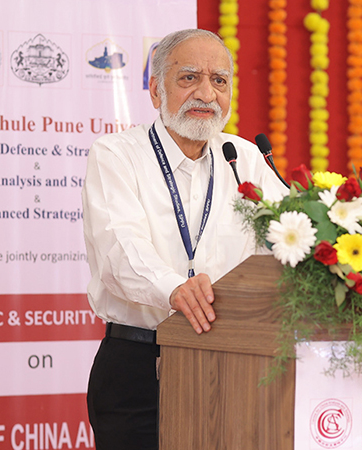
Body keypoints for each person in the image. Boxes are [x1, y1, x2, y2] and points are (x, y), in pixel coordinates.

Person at [81, 29, 287, 450]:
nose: (206, 94)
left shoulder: (243, 158)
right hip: (140, 367)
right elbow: (119, 249)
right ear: (156, 89)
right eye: (189, 78)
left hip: (236, 362)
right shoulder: (117, 154)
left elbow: (288, 237)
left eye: (219, 80)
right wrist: (174, 288)